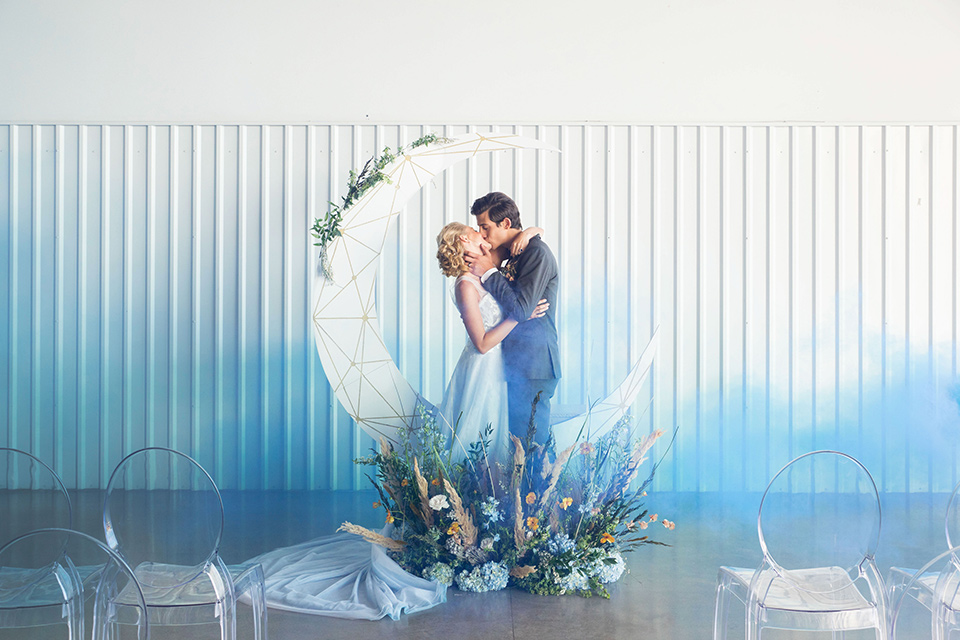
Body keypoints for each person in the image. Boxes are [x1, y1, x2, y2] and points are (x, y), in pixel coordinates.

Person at [435, 222, 547, 460]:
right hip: (483, 369)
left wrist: (531, 231)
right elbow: (482, 344)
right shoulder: (465, 285)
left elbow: (515, 244)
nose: (482, 233)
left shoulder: (484, 268)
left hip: (502, 365)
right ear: (465, 240)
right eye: (475, 230)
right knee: (480, 433)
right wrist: (521, 316)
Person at [464, 192, 561, 445]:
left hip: (534, 366)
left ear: (505, 224)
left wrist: (488, 273)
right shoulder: (516, 251)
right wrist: (530, 231)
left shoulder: (535, 253)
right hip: (516, 365)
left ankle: (538, 486)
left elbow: (520, 310)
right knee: (517, 446)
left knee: (532, 448)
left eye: (485, 228)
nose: (482, 235)